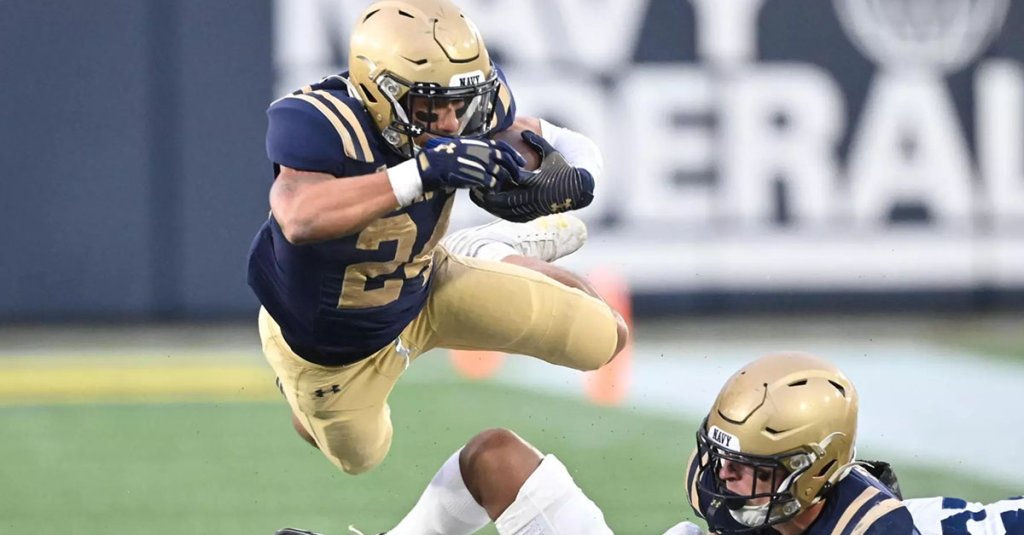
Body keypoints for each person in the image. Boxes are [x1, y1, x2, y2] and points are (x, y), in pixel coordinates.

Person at [246, 0, 628, 477]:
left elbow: (543, 136)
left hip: (428, 283)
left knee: (606, 338)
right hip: (332, 350)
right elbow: (299, 216)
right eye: (429, 106)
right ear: (379, 91)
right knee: (360, 458)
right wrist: (418, 173)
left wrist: (576, 176)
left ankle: (484, 252)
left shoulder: (466, 109)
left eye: (458, 104)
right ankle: (303, 398)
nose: (450, 123)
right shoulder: (321, 121)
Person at [273, 352, 961, 535]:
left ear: (812, 476)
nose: (722, 480)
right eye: (721, 456)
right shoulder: (766, 505)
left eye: (748, 471)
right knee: (495, 458)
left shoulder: (873, 527)